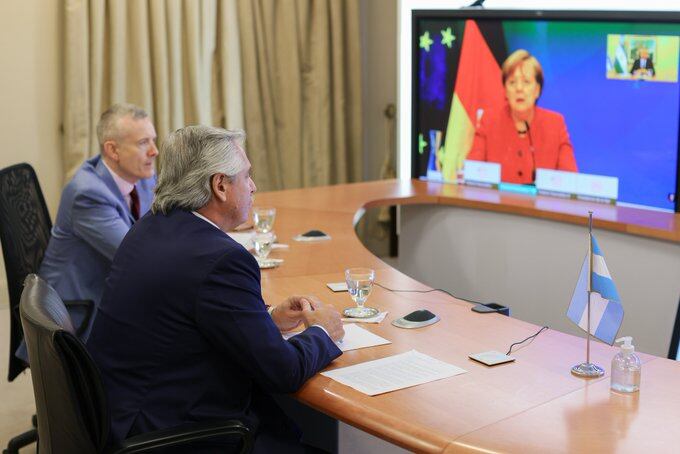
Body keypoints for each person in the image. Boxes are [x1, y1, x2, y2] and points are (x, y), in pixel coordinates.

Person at [86, 126, 344, 452]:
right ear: (220, 185)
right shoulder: (221, 259)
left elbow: (192, 313)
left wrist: (267, 318)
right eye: (246, 176)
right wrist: (323, 331)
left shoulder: (151, 225)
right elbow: (284, 372)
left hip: (122, 413)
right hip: (172, 434)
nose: (253, 187)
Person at [16, 104, 158, 362]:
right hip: (81, 312)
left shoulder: (143, 176)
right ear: (112, 150)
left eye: (154, 140)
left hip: (114, 290)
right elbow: (138, 258)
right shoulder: (88, 193)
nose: (154, 151)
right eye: (143, 143)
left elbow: (166, 222)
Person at [467, 49, 578, 184]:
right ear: (505, 91)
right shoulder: (489, 121)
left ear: (537, 90)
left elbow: (570, 180)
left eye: (526, 82)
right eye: (512, 82)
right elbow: (471, 174)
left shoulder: (555, 124)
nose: (519, 88)